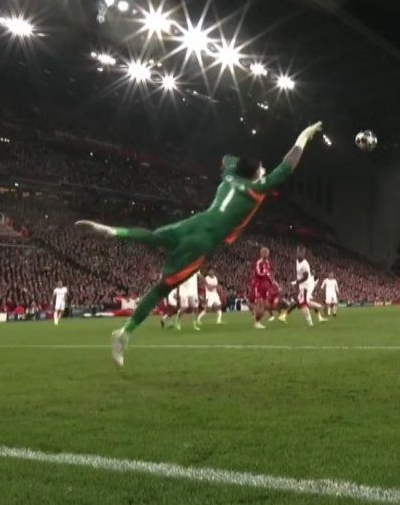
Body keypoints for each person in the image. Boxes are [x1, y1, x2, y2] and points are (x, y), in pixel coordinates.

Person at [76, 121, 324, 366]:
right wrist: (303, 136)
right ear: (254, 174)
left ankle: (115, 231)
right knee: (161, 289)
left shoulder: (229, 175)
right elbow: (287, 165)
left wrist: (244, 164)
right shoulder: (257, 188)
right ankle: (125, 332)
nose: (264, 171)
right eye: (261, 169)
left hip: (193, 223)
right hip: (203, 241)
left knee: (154, 236)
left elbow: (227, 158)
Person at [281, 246, 325, 325]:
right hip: (303, 287)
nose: (300, 254)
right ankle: (320, 312)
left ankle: (312, 322)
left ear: (304, 254)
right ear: (297, 253)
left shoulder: (305, 265)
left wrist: (296, 282)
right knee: (302, 303)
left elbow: (306, 277)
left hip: (306, 287)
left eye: (301, 253)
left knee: (303, 304)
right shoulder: (297, 261)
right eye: (299, 252)